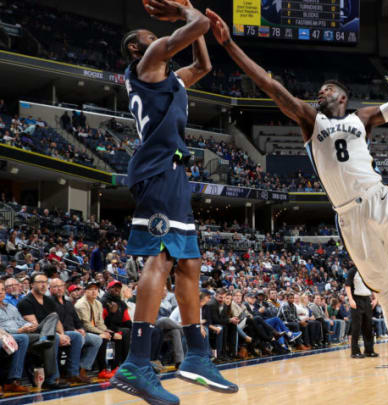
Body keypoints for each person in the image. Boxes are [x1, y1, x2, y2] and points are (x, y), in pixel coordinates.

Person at [204, 10, 388, 404]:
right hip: (349, 217)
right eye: (319, 92)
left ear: (342, 96)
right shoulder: (310, 120)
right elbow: (270, 85)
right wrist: (228, 44)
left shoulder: (363, 118)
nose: (320, 94)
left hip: (381, 200)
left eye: (327, 90)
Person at [114, 0, 236, 403]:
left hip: (173, 174)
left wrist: (196, 26)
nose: (157, 38)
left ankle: (197, 355)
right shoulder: (146, 65)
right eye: (150, 36)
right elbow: (196, 25)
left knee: (190, 263)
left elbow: (203, 68)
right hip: (155, 171)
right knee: (162, 258)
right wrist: (186, 12)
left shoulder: (172, 80)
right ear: (137, 48)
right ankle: (136, 362)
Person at [49, 278, 102, 383]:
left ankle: (82, 369)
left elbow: (76, 319)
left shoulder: (68, 303)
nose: (59, 289)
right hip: (61, 333)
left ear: (64, 287)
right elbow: (54, 322)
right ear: (50, 289)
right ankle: (73, 372)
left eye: (60, 286)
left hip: (74, 331)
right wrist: (74, 330)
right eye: (55, 287)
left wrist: (81, 329)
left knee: (97, 340)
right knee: (77, 337)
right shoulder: (48, 303)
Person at [345, 266, 377, 358]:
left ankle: (369, 350)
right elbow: (347, 286)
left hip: (367, 300)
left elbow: (372, 286)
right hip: (356, 299)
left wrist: (376, 298)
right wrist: (351, 300)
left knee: (368, 327)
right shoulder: (352, 271)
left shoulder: (367, 270)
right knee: (356, 327)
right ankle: (355, 352)